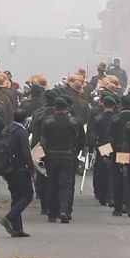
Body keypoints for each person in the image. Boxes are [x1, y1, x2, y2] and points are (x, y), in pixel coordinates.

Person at [39, 95, 84, 223]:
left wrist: (44, 156)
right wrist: (75, 152)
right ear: (67, 108)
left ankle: (52, 213)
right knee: (66, 185)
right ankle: (65, 210)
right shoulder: (74, 122)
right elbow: (81, 141)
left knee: (52, 184)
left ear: (55, 108)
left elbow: (43, 142)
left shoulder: (48, 122)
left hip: (52, 157)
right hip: (68, 155)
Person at [0, 108, 34, 238]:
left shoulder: (7, 129)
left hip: (8, 168)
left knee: (16, 196)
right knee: (27, 195)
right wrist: (32, 170)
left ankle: (17, 227)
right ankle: (9, 218)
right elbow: (26, 153)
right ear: (25, 120)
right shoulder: (22, 132)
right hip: (19, 168)